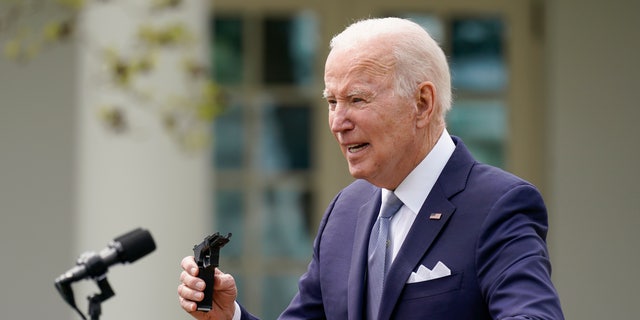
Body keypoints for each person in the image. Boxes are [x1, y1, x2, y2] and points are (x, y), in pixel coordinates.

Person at [177, 17, 564, 320]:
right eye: (332, 102)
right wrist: (230, 317)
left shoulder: (499, 204)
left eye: (357, 99)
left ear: (423, 103)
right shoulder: (345, 211)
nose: (337, 122)